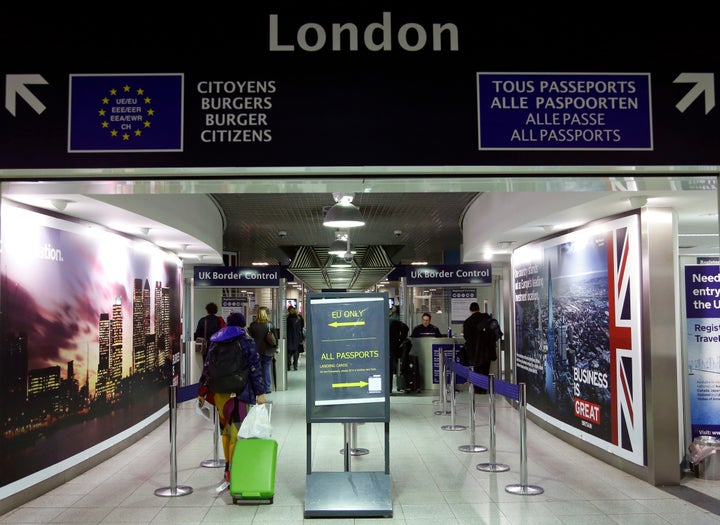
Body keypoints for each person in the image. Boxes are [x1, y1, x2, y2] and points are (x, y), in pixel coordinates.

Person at [197, 312, 266, 484]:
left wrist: (202, 391)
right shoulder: (246, 341)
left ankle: (227, 465)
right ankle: (233, 470)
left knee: (225, 431)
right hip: (240, 393)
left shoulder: (216, 340)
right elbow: (254, 368)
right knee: (237, 431)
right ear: (242, 325)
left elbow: (207, 367)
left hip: (221, 394)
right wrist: (260, 392)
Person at [248, 306, 276, 394]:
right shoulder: (270, 325)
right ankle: (267, 388)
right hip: (268, 351)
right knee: (266, 368)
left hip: (256, 351)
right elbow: (275, 338)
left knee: (257, 370)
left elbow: (250, 338)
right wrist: (275, 348)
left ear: (257, 314)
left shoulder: (253, 325)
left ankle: (259, 388)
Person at [286, 306, 304, 371]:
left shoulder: (287, 318)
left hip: (289, 337)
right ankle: (295, 366)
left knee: (289, 352)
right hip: (297, 336)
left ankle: (288, 366)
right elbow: (302, 326)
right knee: (296, 351)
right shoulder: (299, 318)